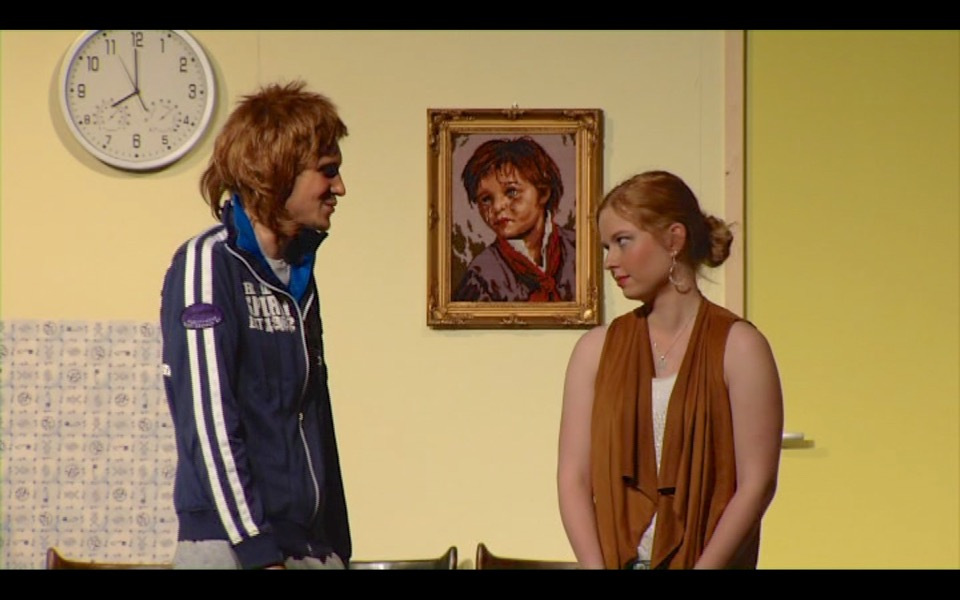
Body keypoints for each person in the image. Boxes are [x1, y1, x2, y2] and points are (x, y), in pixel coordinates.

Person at [159, 80, 352, 570]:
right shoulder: (208, 265)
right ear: (277, 170)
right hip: (237, 549)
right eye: (328, 171)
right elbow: (208, 420)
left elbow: (314, 416)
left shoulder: (299, 275)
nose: (340, 189)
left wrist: (337, 546)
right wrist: (256, 550)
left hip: (305, 546)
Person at [557, 170, 783, 569]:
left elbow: (756, 483)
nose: (610, 261)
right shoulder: (595, 350)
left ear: (674, 239)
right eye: (607, 246)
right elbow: (573, 478)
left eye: (623, 241)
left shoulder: (739, 347)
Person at [452, 136, 576, 302]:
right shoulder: (481, 275)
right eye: (486, 199)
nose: (497, 207)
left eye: (512, 192)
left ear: (543, 193)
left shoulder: (578, 249)